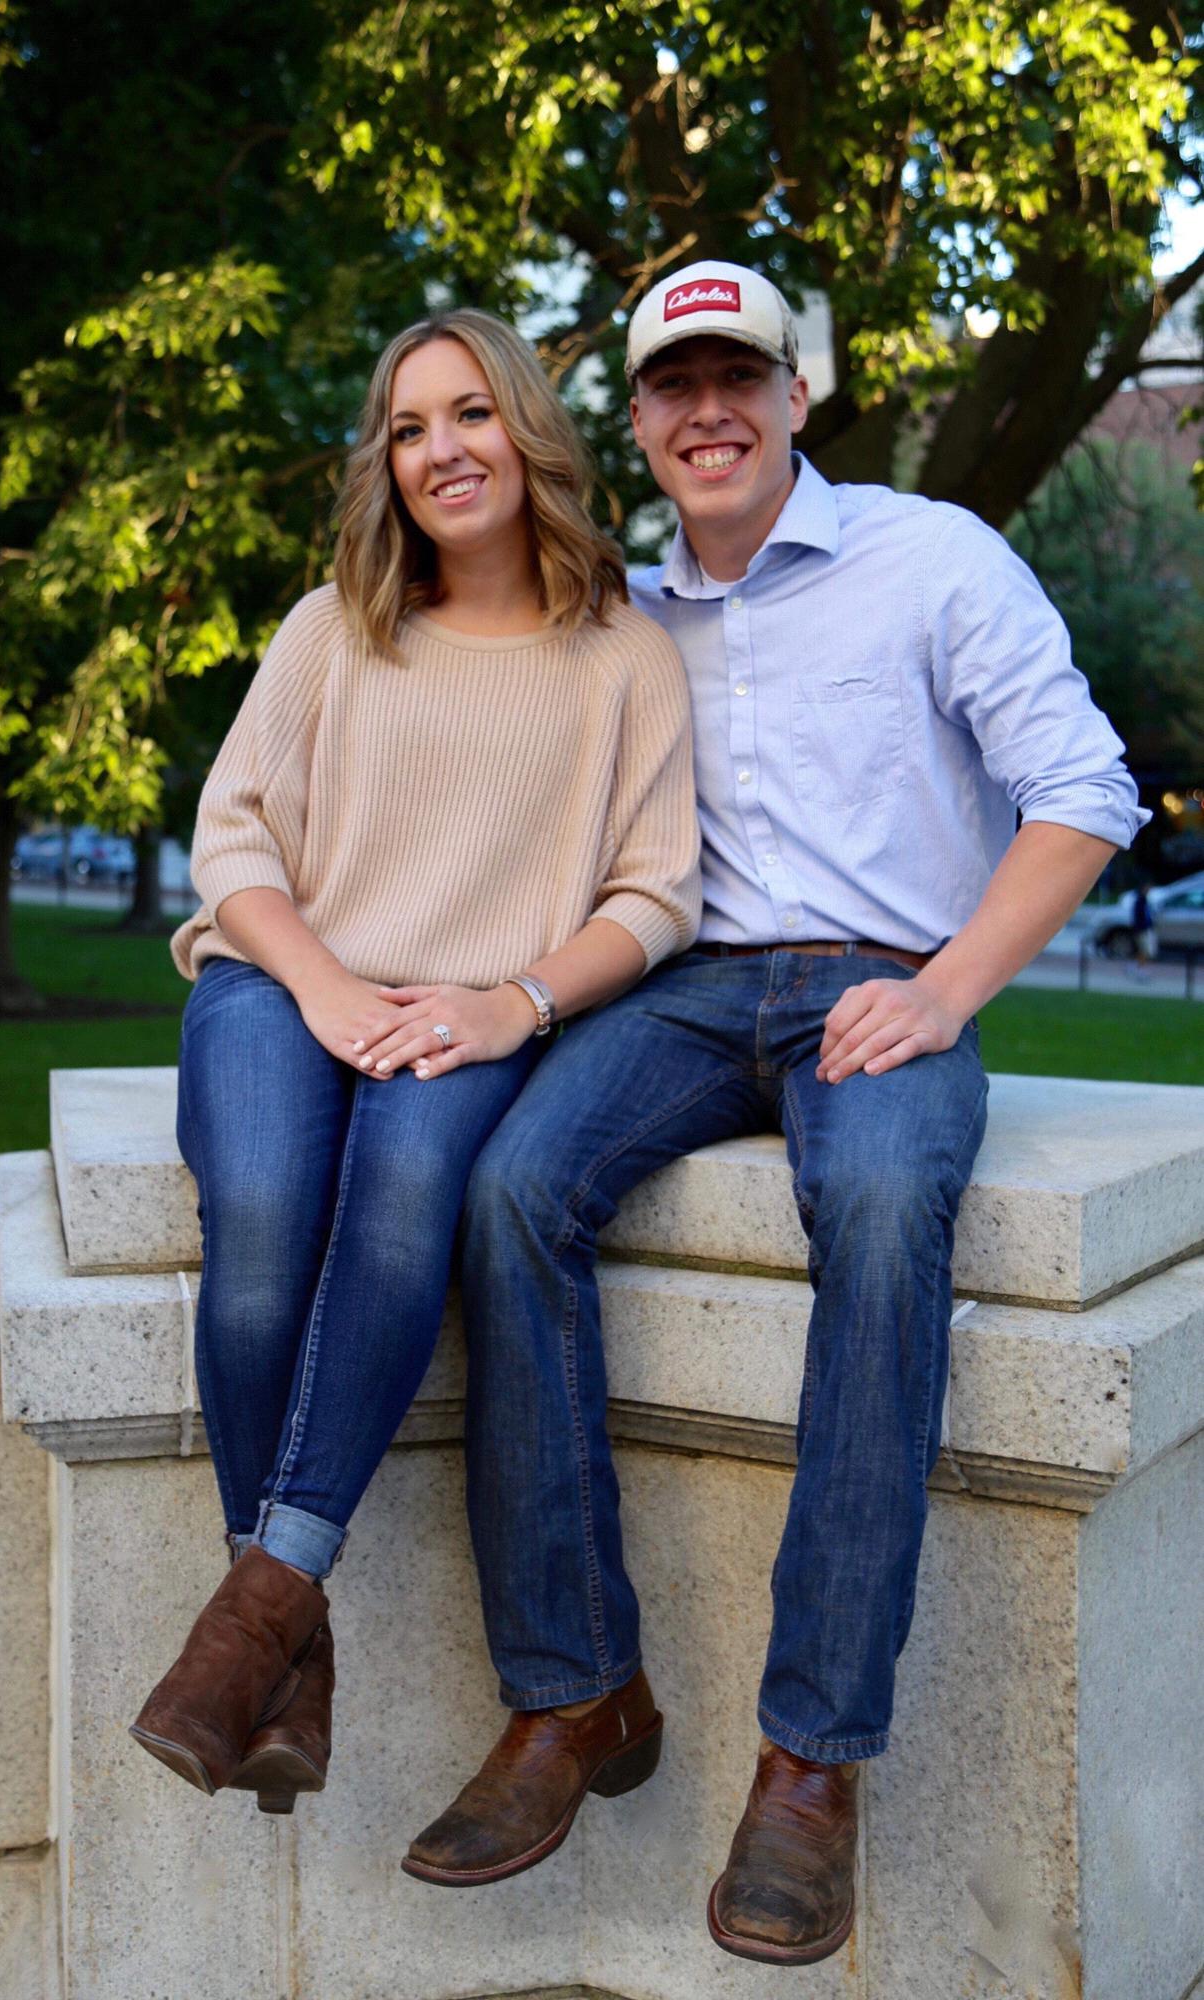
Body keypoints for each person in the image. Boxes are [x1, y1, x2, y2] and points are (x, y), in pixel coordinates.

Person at [403, 263, 1148, 1963]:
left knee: (883, 1214)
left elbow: (1082, 791)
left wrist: (948, 989)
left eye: (741, 376)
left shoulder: (931, 557)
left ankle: (811, 1758)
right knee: (508, 1190)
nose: (708, 410)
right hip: (679, 993)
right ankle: (574, 1692)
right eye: (675, 385)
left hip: (883, 981)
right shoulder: (617, 608)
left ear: (798, 396)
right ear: (641, 423)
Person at [129, 308, 701, 1817]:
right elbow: (235, 836)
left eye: (466, 414)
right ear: (384, 462)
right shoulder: (335, 624)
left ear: (527, 430)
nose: (438, 449)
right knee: (257, 1220)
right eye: (405, 426)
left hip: (469, 1014)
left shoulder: (625, 658)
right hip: (278, 983)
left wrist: (514, 1003)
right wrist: (318, 988)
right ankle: (290, 1652)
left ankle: (258, 1616)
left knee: (400, 1206)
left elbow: (654, 892)